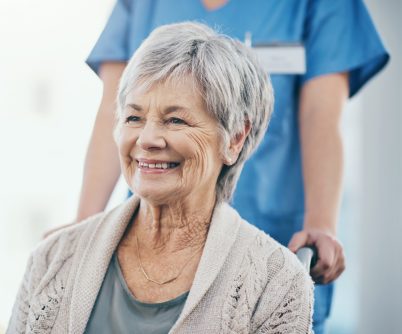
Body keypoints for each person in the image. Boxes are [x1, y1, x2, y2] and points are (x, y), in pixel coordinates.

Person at [78, 1, 389, 332]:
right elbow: (114, 112)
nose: (151, 136)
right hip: (156, 241)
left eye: (175, 120)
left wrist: (321, 224)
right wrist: (83, 232)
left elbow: (322, 118)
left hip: (277, 234)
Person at [7, 22, 314, 333]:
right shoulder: (51, 259)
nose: (147, 139)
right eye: (134, 118)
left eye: (175, 120)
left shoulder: (278, 283)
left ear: (234, 138)